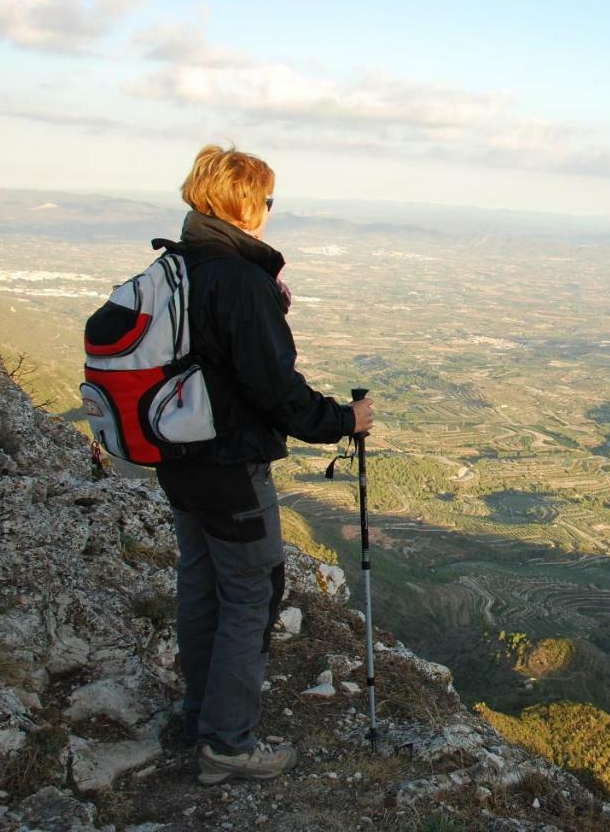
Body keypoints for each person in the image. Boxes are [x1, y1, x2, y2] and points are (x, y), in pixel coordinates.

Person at [156, 144, 375, 784]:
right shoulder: (239, 279)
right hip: (228, 464)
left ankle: (200, 714)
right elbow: (274, 389)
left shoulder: (182, 264)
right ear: (246, 205)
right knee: (251, 593)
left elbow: (213, 358)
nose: (270, 212)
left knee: (202, 585)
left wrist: (265, 303)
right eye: (267, 201)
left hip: (178, 457)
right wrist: (344, 421)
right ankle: (227, 744)